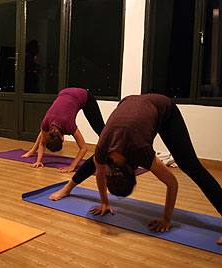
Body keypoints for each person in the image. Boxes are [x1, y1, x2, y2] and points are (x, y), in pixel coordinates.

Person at [86, 93, 221, 245]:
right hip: (132, 104)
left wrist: (166, 219)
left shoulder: (140, 150)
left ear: (132, 171)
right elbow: (99, 173)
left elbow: (172, 183)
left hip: (164, 109)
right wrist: (104, 202)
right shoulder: (102, 149)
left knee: (191, 166)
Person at [22, 87, 105, 173]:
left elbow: (84, 148)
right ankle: (32, 151)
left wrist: (72, 166)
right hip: (64, 92)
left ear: (62, 138)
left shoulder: (69, 125)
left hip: (83, 95)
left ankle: (111, 152)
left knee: (100, 129)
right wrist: (38, 161)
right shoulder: (45, 123)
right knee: (44, 129)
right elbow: (42, 141)